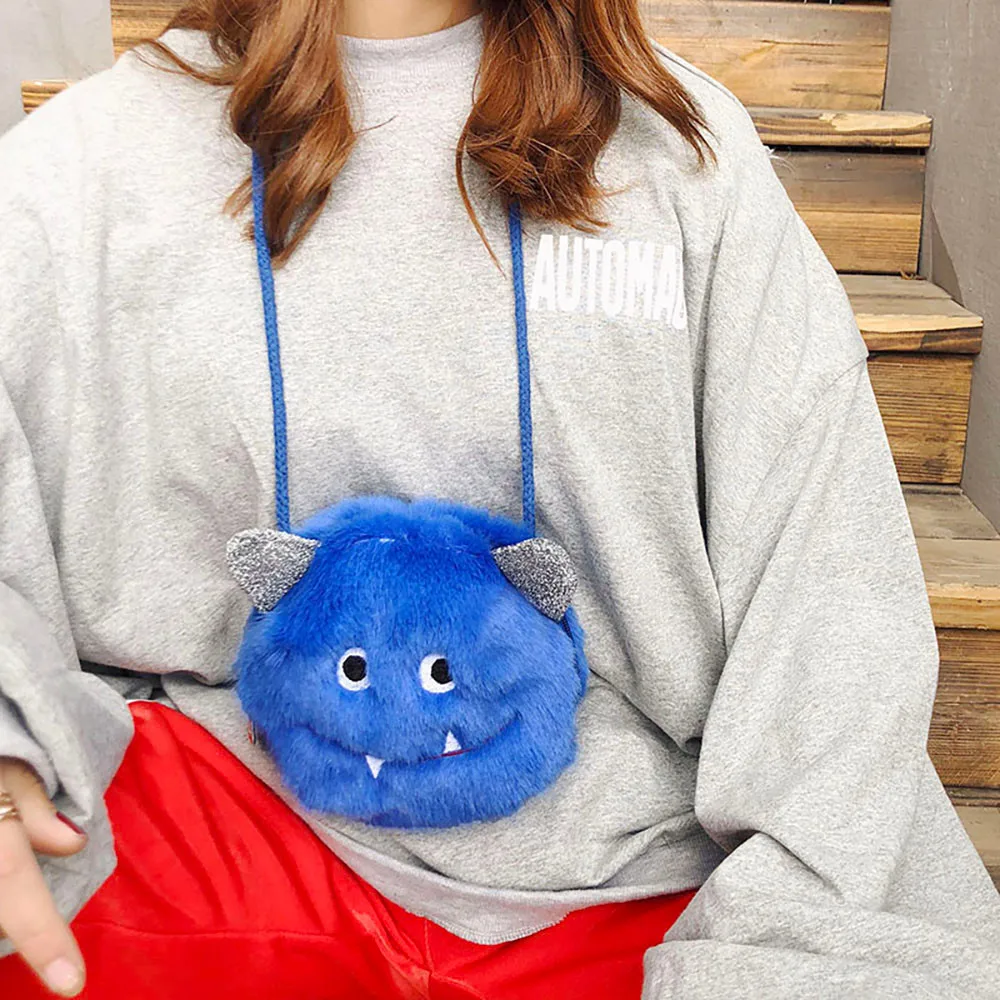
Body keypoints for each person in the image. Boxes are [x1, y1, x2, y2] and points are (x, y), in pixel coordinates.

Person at [0, 0, 998, 997]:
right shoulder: (85, 160)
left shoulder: (683, 152)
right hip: (217, 827)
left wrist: (785, 938)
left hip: (640, 873)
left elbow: (830, 589)